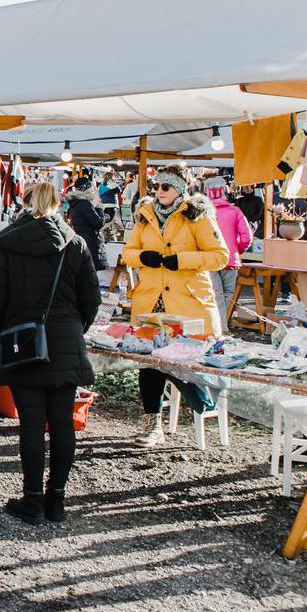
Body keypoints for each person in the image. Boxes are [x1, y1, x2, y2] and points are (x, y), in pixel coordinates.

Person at [0, 182, 101, 524]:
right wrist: (74, 330)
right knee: (62, 422)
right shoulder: (75, 244)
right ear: (58, 204)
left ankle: (33, 500)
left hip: (23, 343)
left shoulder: (7, 246)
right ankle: (57, 501)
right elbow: (90, 299)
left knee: (32, 423)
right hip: (65, 341)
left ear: (24, 203)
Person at [123, 168, 230, 447]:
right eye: (158, 186)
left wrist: (182, 260)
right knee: (149, 363)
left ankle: (203, 407)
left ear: (180, 189)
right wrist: (142, 256)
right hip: (151, 301)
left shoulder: (196, 215)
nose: (160, 191)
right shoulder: (144, 216)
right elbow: (127, 252)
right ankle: (152, 423)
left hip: (187, 304)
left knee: (184, 361)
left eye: (166, 187)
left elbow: (220, 256)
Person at [203, 176, 253, 331]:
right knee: (228, 293)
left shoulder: (203, 214)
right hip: (231, 259)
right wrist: (237, 250)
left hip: (209, 258)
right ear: (224, 191)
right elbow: (247, 236)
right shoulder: (235, 211)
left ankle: (220, 326)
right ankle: (222, 326)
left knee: (215, 293)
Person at [65, 176, 108, 275]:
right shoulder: (85, 204)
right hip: (91, 242)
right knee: (92, 272)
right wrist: (100, 209)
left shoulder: (75, 203)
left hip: (83, 240)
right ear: (88, 189)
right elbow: (98, 223)